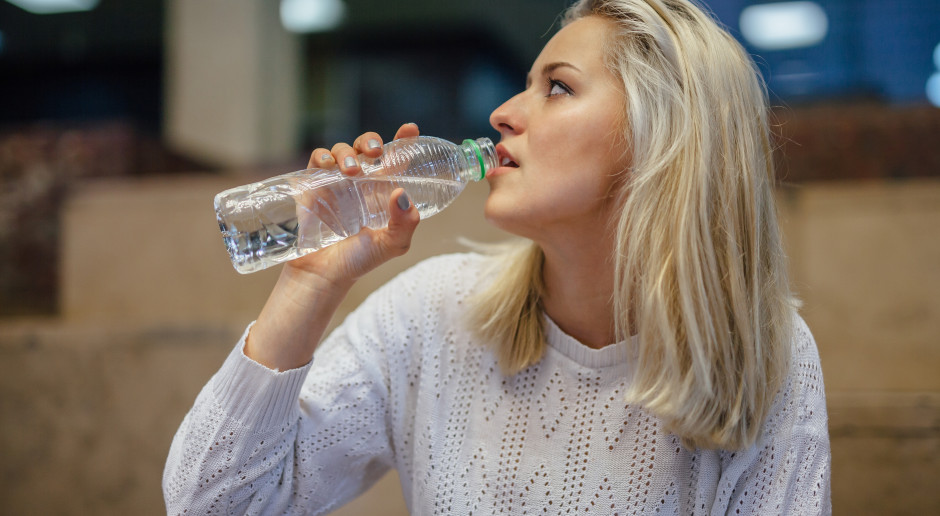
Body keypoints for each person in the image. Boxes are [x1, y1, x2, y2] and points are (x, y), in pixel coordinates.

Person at [164, 0, 831, 514]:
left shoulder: (765, 351)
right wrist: (310, 282)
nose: (506, 112)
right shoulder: (431, 314)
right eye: (525, 85)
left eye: (558, 88)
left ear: (661, 138)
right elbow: (211, 505)